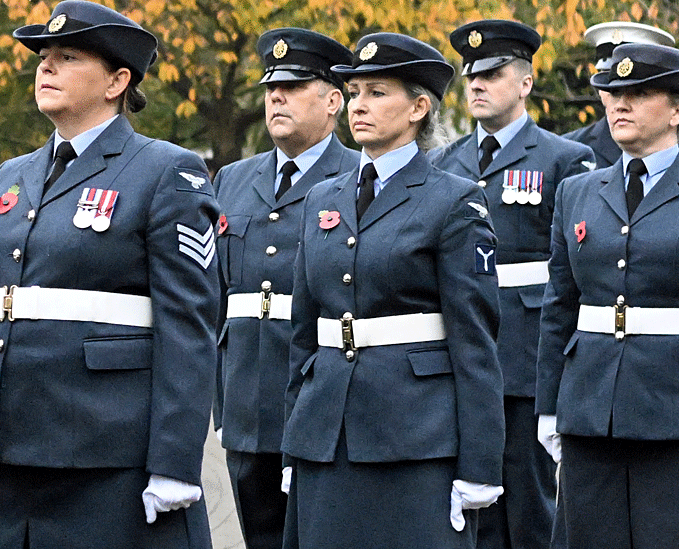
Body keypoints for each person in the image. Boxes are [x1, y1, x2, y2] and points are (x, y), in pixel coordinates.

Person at [0, 1, 220, 547]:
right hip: (9, 454)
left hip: (105, 456)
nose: (45, 67)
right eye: (44, 56)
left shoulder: (165, 171)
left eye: (67, 56)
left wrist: (174, 460)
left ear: (117, 81)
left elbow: (188, 326)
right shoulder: (12, 174)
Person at [535, 42, 679, 549]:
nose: (618, 105)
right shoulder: (576, 192)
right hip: (592, 409)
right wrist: (549, 405)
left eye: (639, 94)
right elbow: (559, 307)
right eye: (612, 93)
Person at [281, 32, 505, 549]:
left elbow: (475, 344)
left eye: (378, 93)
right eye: (354, 93)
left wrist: (479, 465)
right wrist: (295, 441)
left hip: (416, 438)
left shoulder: (454, 201)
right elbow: (303, 334)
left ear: (418, 107)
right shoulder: (321, 200)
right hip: (326, 434)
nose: (359, 106)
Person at [430, 19, 594, 549]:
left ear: (525, 83)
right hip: (458, 349)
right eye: (471, 75)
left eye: (493, 74)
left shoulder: (564, 160)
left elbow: (577, 273)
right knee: (464, 500)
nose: (476, 84)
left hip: (527, 353)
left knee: (529, 503)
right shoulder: (443, 162)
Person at [212, 27, 356, 549]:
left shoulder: (360, 177)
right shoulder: (232, 179)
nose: (276, 96)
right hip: (246, 397)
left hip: (324, 395)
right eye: (272, 87)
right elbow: (213, 294)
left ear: (334, 99)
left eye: (294, 86)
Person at [565, 22, 679, 170]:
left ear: (678, 111)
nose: (621, 103)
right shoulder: (570, 149)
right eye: (614, 88)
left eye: (639, 92)